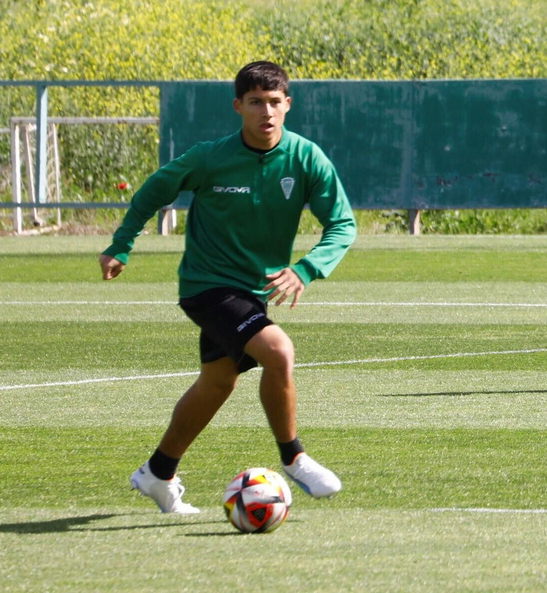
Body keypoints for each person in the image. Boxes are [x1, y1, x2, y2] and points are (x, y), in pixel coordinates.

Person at [99, 60, 357, 514]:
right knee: (278, 351)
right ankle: (293, 455)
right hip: (208, 286)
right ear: (238, 106)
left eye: (275, 102)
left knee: (217, 383)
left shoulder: (305, 157)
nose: (266, 112)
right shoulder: (209, 157)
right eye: (255, 102)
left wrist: (307, 268)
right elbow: (152, 192)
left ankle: (159, 472)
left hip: (252, 291)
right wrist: (121, 245)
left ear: (288, 105)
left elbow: (342, 224)